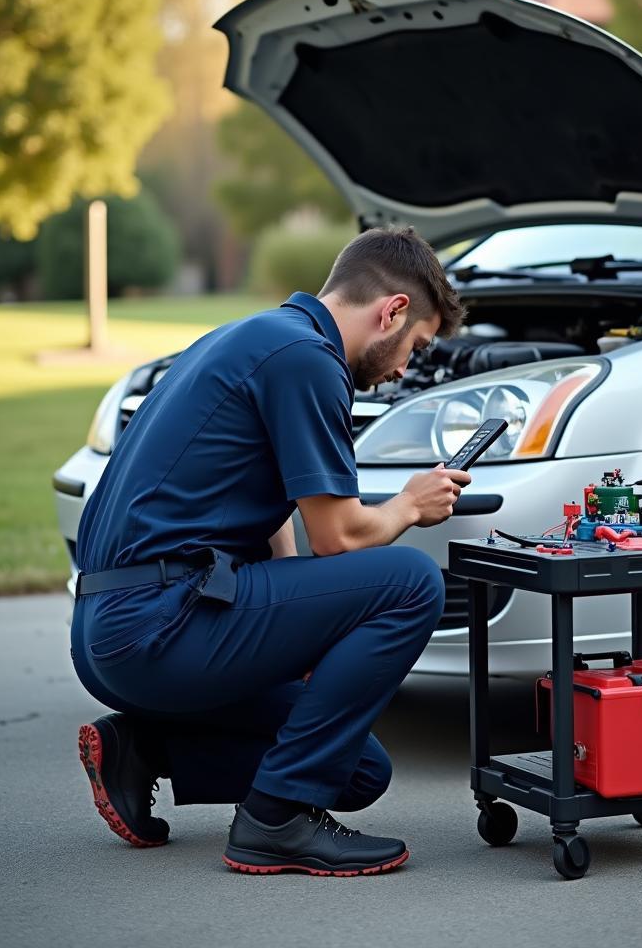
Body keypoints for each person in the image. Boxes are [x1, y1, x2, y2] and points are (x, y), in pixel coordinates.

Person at [70, 226, 468, 877]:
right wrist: (410, 505)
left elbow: (275, 510)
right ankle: (276, 821)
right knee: (413, 583)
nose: (403, 369)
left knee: (359, 770)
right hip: (156, 625)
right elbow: (337, 538)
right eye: (415, 346)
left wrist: (299, 627)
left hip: (106, 633)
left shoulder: (250, 337)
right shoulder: (308, 360)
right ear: (391, 311)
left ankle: (142, 749)